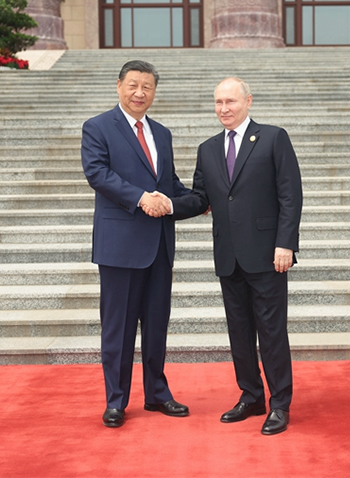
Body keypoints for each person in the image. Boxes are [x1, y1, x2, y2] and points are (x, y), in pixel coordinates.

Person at [167, 77, 303, 435]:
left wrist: (285, 243)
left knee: (272, 332)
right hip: (228, 255)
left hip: (268, 255)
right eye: (217, 103)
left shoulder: (274, 138)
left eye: (230, 101)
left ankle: (279, 404)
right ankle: (251, 395)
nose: (224, 108)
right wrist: (167, 204)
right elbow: (200, 199)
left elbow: (290, 195)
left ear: (248, 101)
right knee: (239, 332)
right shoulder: (207, 148)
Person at [81, 60, 191, 428]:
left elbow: (171, 185)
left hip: (158, 245)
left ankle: (158, 394)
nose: (140, 92)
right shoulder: (98, 127)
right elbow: (97, 173)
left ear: (154, 92)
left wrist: (207, 200)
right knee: (119, 327)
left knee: (157, 325)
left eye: (147, 87)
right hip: (120, 244)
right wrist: (142, 197)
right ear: (119, 86)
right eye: (133, 85)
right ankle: (116, 400)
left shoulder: (162, 133)